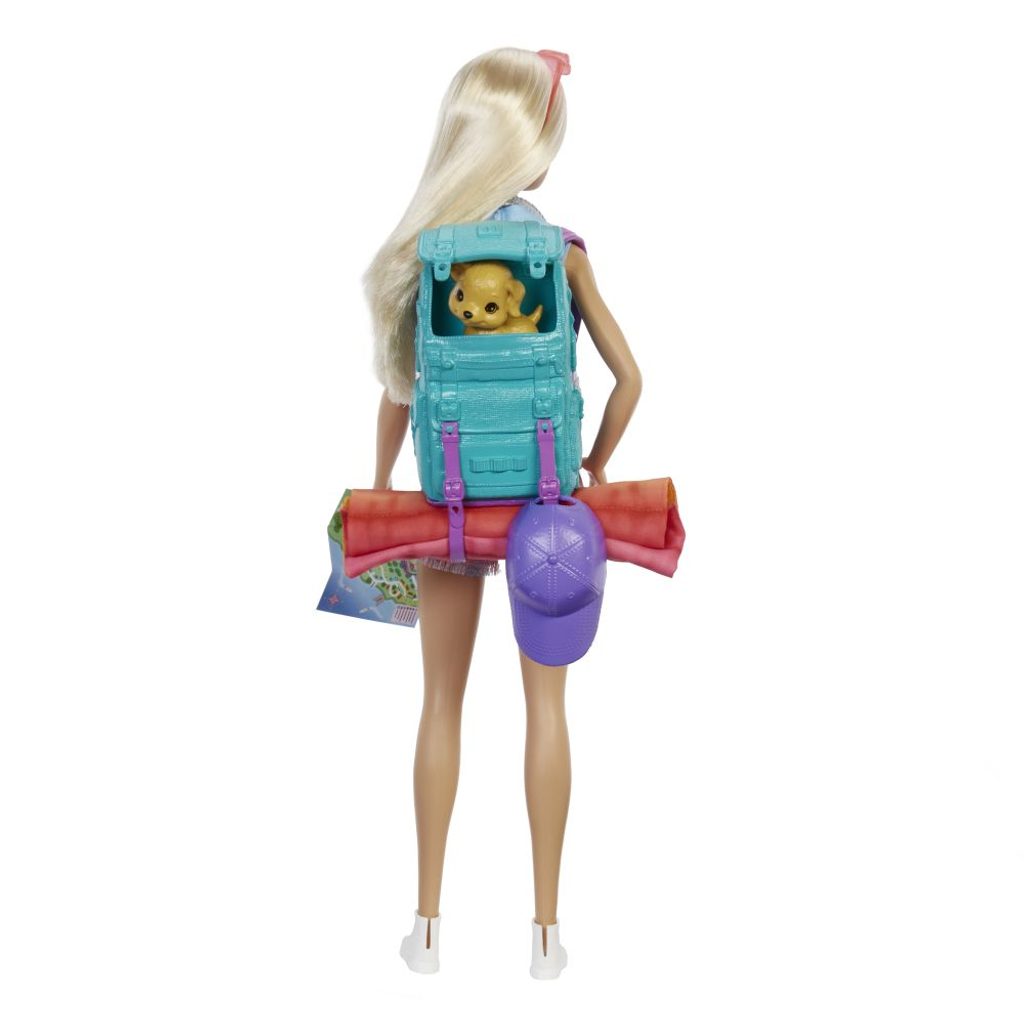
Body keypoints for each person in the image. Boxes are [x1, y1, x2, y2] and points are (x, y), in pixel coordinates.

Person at [362, 46, 642, 979]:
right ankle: (546, 935)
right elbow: (631, 379)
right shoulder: (560, 253)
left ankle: (426, 928)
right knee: (545, 709)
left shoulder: (428, 251)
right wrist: (596, 463)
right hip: (546, 517)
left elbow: (398, 391)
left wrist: (382, 484)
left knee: (439, 703)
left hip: (444, 506)